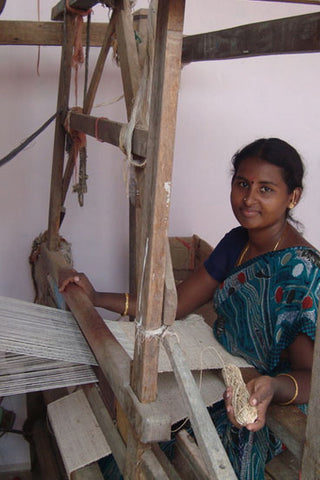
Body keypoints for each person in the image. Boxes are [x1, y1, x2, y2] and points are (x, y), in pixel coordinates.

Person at [59, 138, 320, 479]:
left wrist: (271, 387)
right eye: (242, 184)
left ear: (293, 197)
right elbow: (174, 305)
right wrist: (96, 298)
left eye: (266, 189)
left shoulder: (302, 273)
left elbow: (312, 377)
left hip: (266, 406)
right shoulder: (237, 242)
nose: (249, 199)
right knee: (132, 453)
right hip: (225, 376)